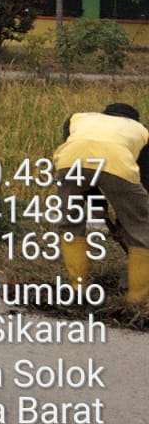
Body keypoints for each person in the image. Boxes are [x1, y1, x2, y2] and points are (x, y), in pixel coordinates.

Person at [53, 102, 149, 305]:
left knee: (70, 224)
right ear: (134, 121)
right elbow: (142, 182)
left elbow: (87, 168)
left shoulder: (77, 119)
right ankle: (138, 300)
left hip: (69, 164)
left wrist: (99, 207)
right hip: (118, 168)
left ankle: (77, 289)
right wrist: (126, 223)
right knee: (142, 230)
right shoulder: (142, 133)